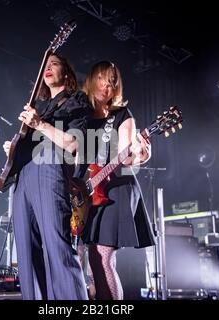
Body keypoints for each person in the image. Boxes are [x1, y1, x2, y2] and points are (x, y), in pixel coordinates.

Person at [2, 53, 92, 300]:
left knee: (57, 246)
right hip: (24, 177)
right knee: (27, 252)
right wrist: (14, 149)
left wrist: (40, 124)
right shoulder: (39, 106)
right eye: (45, 65)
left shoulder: (76, 100)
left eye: (54, 64)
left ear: (67, 73)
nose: (48, 68)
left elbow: (73, 144)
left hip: (50, 170)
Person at [80, 61, 155, 300]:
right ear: (92, 80)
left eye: (112, 81)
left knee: (102, 256)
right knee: (88, 258)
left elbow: (128, 155)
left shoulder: (123, 115)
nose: (107, 86)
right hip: (88, 192)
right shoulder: (81, 117)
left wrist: (140, 154)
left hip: (117, 190)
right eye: (102, 79)